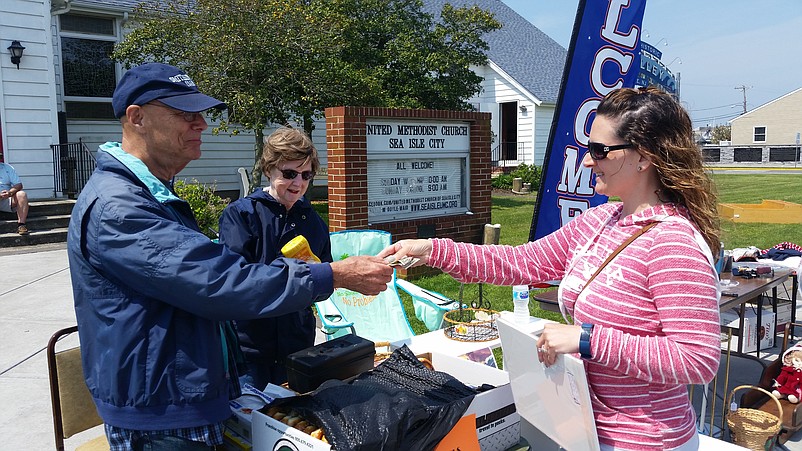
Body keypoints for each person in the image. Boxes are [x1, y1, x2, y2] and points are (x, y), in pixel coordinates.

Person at [67, 62, 393, 451]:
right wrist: (332, 274)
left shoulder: (150, 196)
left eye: (306, 176)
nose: (201, 124)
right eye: (185, 114)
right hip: (162, 414)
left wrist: (324, 276)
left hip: (191, 394)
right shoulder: (120, 208)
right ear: (137, 118)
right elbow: (221, 282)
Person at [379, 87, 721, 450]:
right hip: (586, 427)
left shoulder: (672, 242)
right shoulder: (600, 221)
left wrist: (586, 339)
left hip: (645, 441)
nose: (587, 161)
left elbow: (696, 359)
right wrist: (433, 250)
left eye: (599, 151)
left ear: (643, 157)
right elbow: (521, 261)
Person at [218, 127, 331, 388]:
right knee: (252, 421)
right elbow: (234, 282)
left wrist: (319, 277)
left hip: (298, 346)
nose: (298, 183)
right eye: (289, 174)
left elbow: (326, 287)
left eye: (306, 175)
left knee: (295, 419)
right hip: (251, 350)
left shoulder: (314, 222)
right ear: (269, 170)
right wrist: (293, 273)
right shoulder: (242, 215)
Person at [0, 161, 30, 235]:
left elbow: (18, 184)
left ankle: (21, 225)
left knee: (22, 194)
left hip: (6, 198)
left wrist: (9, 193)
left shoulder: (7, 167)